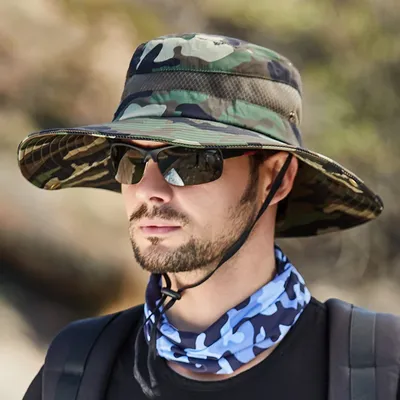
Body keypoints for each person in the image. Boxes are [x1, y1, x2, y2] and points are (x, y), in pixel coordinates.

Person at [18, 33, 398, 400]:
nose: (149, 189)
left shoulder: (381, 369)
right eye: (129, 159)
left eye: (189, 160)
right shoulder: (75, 367)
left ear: (276, 178)